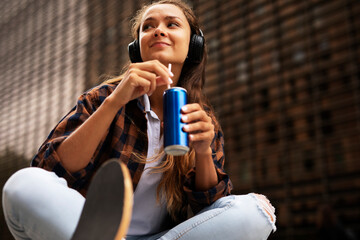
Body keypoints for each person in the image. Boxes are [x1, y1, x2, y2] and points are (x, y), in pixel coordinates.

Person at [2, 0, 276, 239]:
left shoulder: (200, 118)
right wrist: (114, 102)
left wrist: (203, 151)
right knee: (24, 184)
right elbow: (50, 169)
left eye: (172, 24)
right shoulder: (104, 98)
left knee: (256, 212)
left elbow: (211, 208)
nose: (159, 30)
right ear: (138, 49)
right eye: (148, 26)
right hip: (83, 227)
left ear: (194, 44)